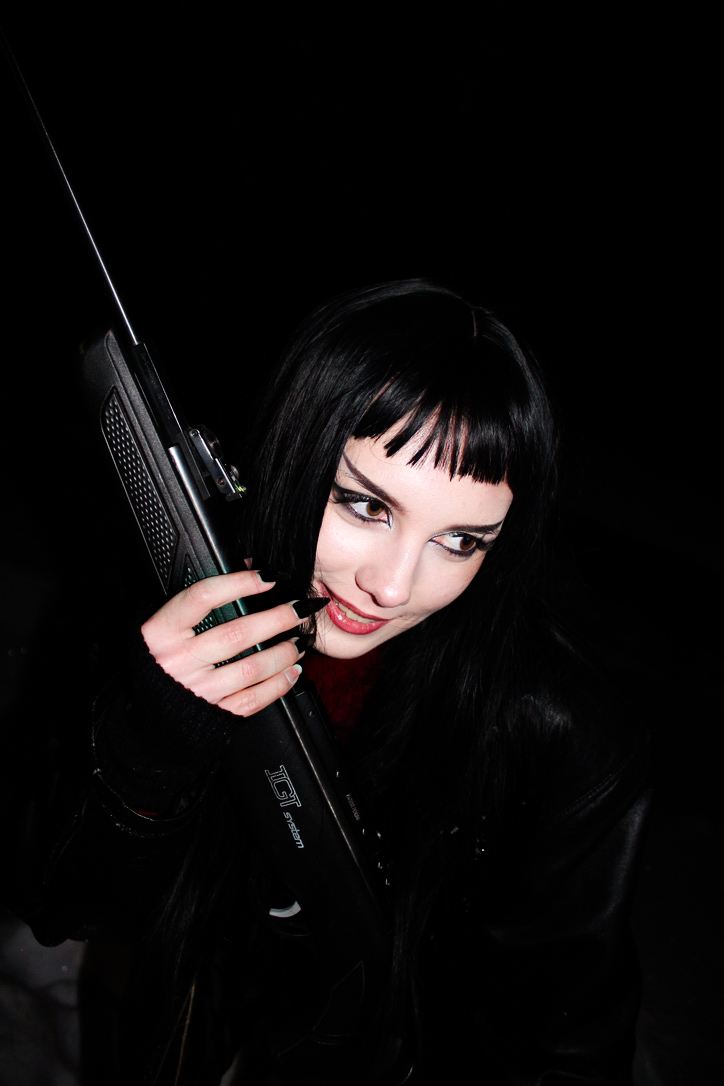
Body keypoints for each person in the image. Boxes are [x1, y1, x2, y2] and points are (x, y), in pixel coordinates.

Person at [2, 280, 650, 1084]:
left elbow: (562, 1044)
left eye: (460, 541)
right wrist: (152, 738)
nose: (393, 584)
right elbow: (62, 903)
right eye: (365, 506)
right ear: (293, 452)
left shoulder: (561, 737)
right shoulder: (186, 611)